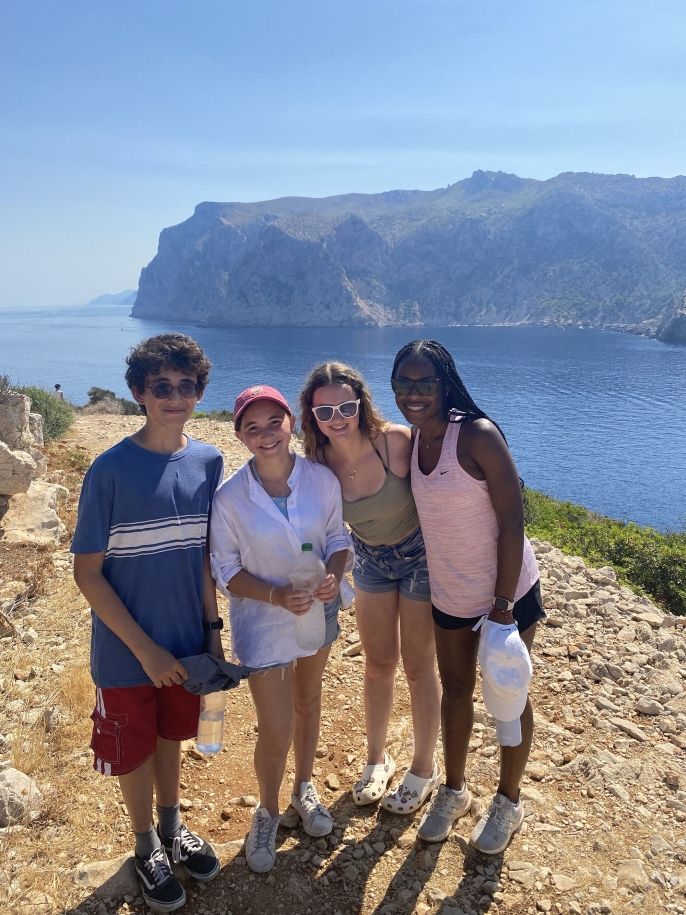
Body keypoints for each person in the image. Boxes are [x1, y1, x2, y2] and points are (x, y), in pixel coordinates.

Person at [72, 334, 224, 912]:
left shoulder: (209, 462)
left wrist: (211, 631)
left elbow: (208, 557)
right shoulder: (109, 471)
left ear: (200, 392)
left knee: (170, 737)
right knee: (133, 747)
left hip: (186, 641)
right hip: (125, 651)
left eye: (188, 387)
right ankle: (144, 846)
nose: (176, 397)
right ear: (139, 392)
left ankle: (170, 828)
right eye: (162, 387)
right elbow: (88, 575)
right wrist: (145, 652)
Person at [391, 339, 543, 855]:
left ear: (444, 383)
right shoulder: (415, 440)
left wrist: (502, 605)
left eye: (425, 382)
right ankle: (453, 790)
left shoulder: (476, 435)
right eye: (404, 383)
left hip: (506, 592)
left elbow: (513, 520)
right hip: (451, 592)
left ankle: (508, 800)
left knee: (507, 695)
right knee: (455, 691)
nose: (414, 393)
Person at [209, 384, 352, 874]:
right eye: (254, 426)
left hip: (318, 611)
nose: (266, 434)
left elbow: (338, 537)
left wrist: (335, 573)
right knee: (275, 724)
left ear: (291, 423)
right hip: (263, 622)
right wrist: (275, 595)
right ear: (241, 436)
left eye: (275, 422)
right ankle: (267, 810)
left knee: (309, 700)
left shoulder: (321, 479)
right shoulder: (230, 498)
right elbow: (225, 569)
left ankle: (303, 789)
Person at [300, 362, 441, 815]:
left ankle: (423, 767)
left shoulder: (394, 442)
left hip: (420, 557)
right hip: (371, 561)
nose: (336, 417)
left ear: (361, 404)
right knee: (379, 664)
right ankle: (377, 759)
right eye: (325, 411)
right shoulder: (318, 464)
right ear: (312, 416)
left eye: (345, 406)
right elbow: (321, 525)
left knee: (420, 668)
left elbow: (444, 491)